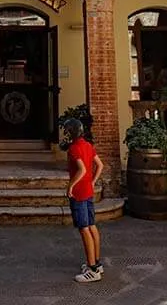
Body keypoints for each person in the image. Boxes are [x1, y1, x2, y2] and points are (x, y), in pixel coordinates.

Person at [61, 117, 104, 283]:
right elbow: (99, 165)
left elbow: (82, 169)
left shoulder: (74, 148)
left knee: (84, 228)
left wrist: (70, 185)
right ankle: (97, 264)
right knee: (92, 226)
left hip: (79, 193)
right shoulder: (88, 145)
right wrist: (92, 181)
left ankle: (92, 270)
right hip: (88, 190)